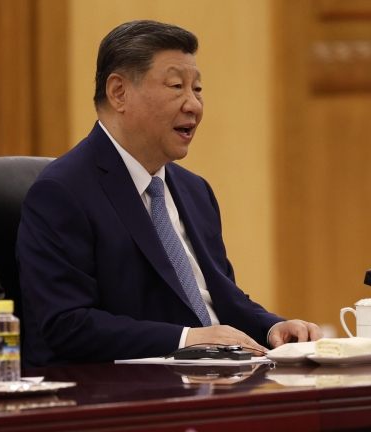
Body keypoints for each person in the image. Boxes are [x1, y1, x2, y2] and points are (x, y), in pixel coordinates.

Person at [17, 20, 321, 367]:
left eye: (198, 89)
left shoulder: (194, 191)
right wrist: (187, 340)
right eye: (177, 86)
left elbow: (220, 298)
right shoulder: (62, 192)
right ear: (119, 92)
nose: (194, 105)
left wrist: (273, 328)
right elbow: (67, 324)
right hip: (122, 398)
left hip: (215, 383)